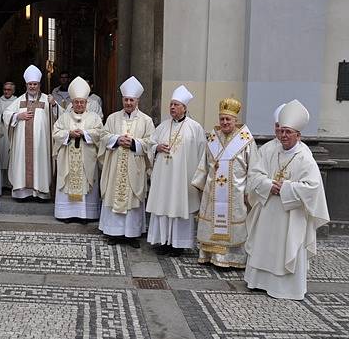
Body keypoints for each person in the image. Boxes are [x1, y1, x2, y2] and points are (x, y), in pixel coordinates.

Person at [244, 100, 329, 300]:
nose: (283, 135)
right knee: (264, 244)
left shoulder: (305, 157)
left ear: (298, 135)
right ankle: (259, 282)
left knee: (286, 246)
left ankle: (286, 288)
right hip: (268, 209)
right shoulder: (268, 150)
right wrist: (267, 185)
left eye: (288, 132)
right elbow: (254, 174)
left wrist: (286, 188)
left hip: (291, 214)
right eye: (281, 131)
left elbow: (313, 187)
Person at [191, 98, 259, 267]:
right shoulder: (213, 138)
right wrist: (201, 183)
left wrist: (248, 191)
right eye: (222, 119)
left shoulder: (246, 141)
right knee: (211, 222)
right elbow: (204, 162)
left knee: (234, 224)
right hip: (213, 191)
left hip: (236, 193)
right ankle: (211, 255)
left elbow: (254, 168)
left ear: (235, 120)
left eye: (228, 119)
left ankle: (231, 258)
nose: (225, 122)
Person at [146, 86, 206, 256]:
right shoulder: (163, 126)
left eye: (176, 105)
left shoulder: (195, 128)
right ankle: (162, 241)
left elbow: (203, 155)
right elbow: (150, 144)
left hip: (183, 178)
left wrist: (197, 178)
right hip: (163, 177)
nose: (172, 107)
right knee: (163, 205)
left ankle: (178, 244)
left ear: (184, 108)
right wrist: (156, 147)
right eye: (171, 104)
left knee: (180, 206)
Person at [98, 76, 154, 244]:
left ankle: (132, 234)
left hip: (134, 167)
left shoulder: (146, 120)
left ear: (137, 100)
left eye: (131, 100)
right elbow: (103, 135)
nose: (128, 102)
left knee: (133, 198)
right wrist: (116, 139)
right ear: (122, 99)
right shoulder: (112, 118)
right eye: (126, 99)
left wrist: (134, 143)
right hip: (115, 166)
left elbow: (151, 141)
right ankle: (113, 233)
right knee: (114, 194)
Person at [3, 65, 62, 200]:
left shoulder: (47, 100)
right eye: (30, 84)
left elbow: (59, 117)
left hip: (41, 144)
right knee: (22, 165)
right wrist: (18, 116)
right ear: (26, 85)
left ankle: (40, 192)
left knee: (40, 165)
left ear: (39, 84)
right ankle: (22, 193)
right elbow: (6, 114)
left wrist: (54, 105)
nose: (32, 87)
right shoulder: (19, 101)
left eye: (35, 84)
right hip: (22, 145)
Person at [52, 76, 104, 222]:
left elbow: (100, 133)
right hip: (68, 158)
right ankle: (66, 214)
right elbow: (55, 133)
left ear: (87, 103)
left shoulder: (94, 118)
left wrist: (85, 133)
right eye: (76, 102)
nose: (79, 104)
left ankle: (86, 215)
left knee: (86, 181)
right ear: (72, 103)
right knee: (68, 180)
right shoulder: (64, 118)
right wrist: (68, 133)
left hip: (87, 158)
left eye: (82, 102)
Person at [0, 82, 17, 189]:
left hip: (12, 132)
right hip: (1, 133)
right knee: (1, 156)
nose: (6, 91)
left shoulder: (17, 101)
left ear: (13, 91)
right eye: (5, 89)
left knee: (11, 157)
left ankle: (11, 183)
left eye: (9, 90)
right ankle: (2, 183)